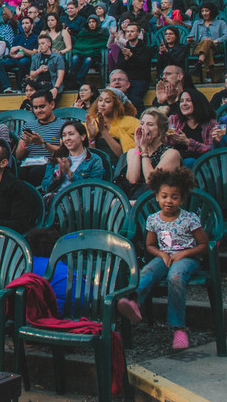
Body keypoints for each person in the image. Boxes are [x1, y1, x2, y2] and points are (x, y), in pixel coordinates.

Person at [117, 167, 209, 352]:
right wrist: (162, 254)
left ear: (181, 199)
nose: (169, 201)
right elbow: (150, 245)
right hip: (164, 256)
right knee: (147, 271)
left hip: (188, 258)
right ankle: (134, 302)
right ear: (157, 197)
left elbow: (204, 245)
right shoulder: (153, 220)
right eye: (164, 196)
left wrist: (183, 254)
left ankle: (178, 328)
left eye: (174, 197)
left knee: (175, 276)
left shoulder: (189, 219)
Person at [119, 109, 182, 199]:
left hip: (153, 199)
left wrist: (144, 150)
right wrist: (138, 146)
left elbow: (151, 181)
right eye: (142, 124)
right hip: (131, 197)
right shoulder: (133, 152)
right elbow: (133, 179)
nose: (144, 128)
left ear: (161, 130)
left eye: (150, 124)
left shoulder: (171, 154)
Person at [41, 120, 107, 194]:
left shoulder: (94, 160)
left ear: (83, 137)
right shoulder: (57, 156)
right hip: (56, 197)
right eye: (64, 135)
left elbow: (93, 189)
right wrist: (57, 175)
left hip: (80, 200)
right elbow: (44, 187)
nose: (67, 138)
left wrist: (70, 174)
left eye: (71, 134)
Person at [16, 92, 64, 185]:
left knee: (36, 171)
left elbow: (65, 152)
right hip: (28, 164)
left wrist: (42, 144)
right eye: (35, 107)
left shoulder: (62, 125)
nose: (38, 111)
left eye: (42, 107)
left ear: (52, 104)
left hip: (50, 165)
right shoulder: (28, 125)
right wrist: (25, 144)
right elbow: (18, 156)